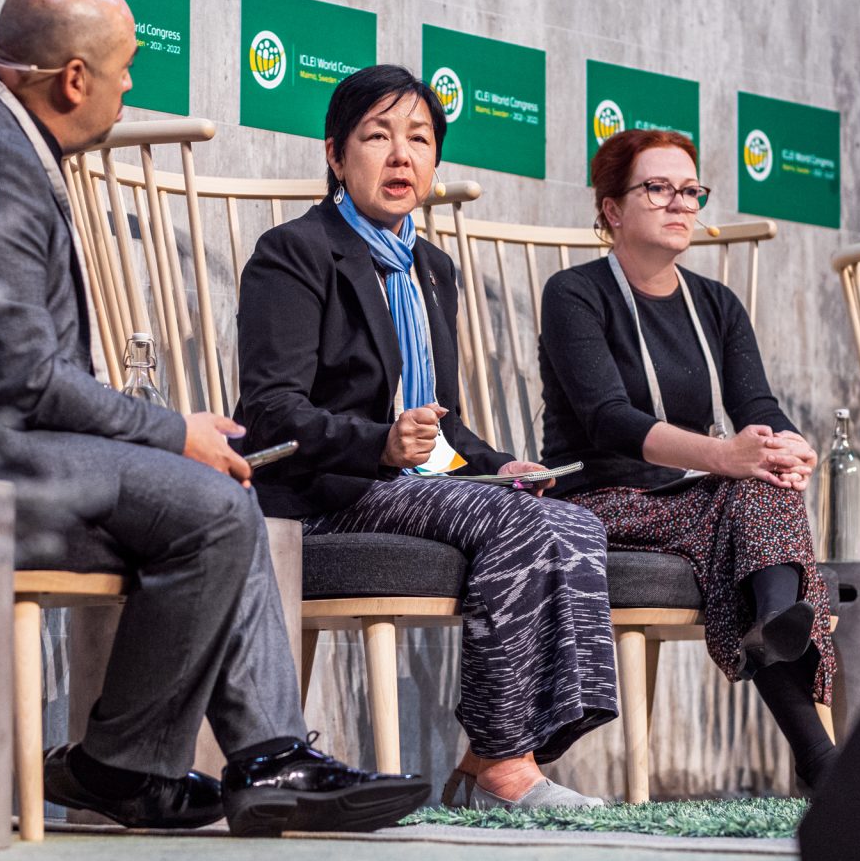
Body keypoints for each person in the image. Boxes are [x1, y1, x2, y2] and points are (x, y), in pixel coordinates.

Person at [0, 0, 428, 836]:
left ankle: (185, 762)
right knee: (211, 501)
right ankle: (164, 762)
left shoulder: (0, 145)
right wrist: (170, 433)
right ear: (75, 79)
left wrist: (170, 439)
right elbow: (20, 380)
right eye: (124, 71)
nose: (129, 89)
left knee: (221, 493)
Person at [235, 64, 618, 810]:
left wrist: (497, 462)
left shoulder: (430, 268)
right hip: (327, 492)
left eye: (418, 138)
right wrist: (379, 442)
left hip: (412, 485)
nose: (401, 156)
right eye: (377, 137)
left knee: (570, 517)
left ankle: (499, 753)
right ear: (335, 155)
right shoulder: (294, 252)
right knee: (511, 521)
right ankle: (506, 765)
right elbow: (271, 410)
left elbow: (439, 422)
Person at [537, 128, 839, 788]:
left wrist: (788, 445)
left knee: (763, 484)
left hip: (692, 503)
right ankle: (782, 628)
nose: (680, 203)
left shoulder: (716, 304)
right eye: (659, 188)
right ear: (613, 209)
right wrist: (725, 456)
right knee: (746, 495)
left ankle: (777, 624)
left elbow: (755, 402)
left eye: (690, 190)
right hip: (595, 499)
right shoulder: (574, 294)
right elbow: (608, 420)